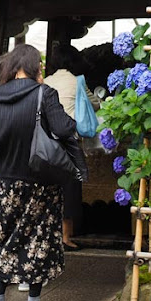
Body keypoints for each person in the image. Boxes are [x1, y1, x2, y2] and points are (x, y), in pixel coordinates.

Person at [0, 43, 88, 301]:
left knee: (7, 238)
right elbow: (65, 128)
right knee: (39, 239)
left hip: (7, 181)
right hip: (41, 181)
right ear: (34, 67)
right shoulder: (44, 93)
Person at [43, 43, 100, 251]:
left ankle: (50, 234)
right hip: (69, 141)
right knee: (70, 189)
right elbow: (95, 104)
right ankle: (66, 237)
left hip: (47, 142)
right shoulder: (77, 82)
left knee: (50, 187)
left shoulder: (46, 81)